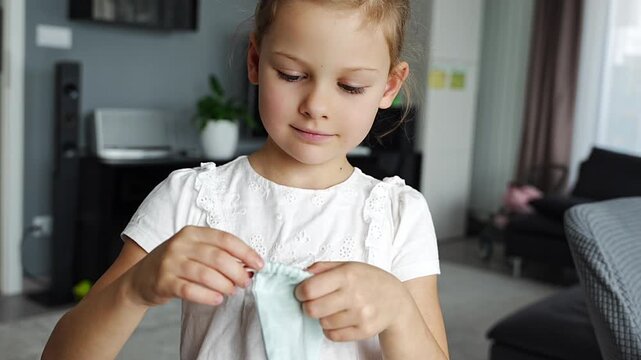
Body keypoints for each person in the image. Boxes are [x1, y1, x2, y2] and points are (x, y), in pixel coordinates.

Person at [42, 0, 449, 359]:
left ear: (389, 87)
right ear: (255, 61)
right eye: (291, 75)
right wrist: (133, 289)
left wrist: (399, 311)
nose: (316, 106)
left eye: (350, 86)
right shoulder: (190, 197)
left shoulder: (399, 214)